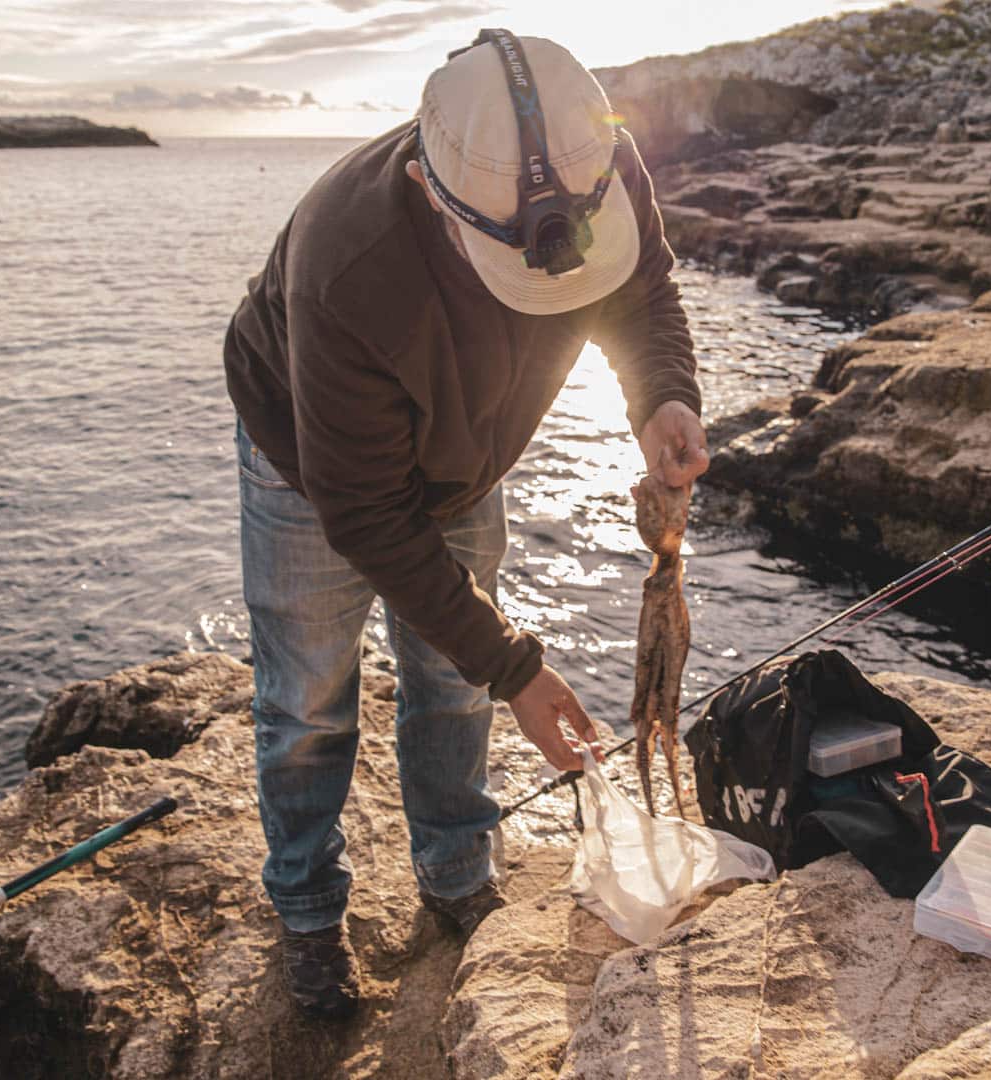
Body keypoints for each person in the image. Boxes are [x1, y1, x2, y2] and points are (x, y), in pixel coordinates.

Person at [222, 30, 708, 1020]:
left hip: (464, 459)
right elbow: (365, 513)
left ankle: (454, 873)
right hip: (310, 465)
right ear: (430, 187)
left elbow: (644, 286)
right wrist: (521, 667)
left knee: (452, 680)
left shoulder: (598, 157)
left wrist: (663, 394)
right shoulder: (344, 262)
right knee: (310, 696)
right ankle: (310, 911)